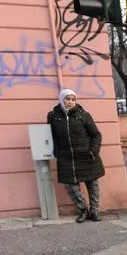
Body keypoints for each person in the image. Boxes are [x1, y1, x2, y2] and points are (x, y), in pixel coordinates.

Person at [48, 89, 105, 223]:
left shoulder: (84, 115)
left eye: (73, 99)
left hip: (87, 156)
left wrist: (93, 151)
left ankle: (94, 211)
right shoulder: (52, 116)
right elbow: (52, 136)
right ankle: (83, 210)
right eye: (68, 99)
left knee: (92, 185)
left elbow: (96, 135)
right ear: (62, 99)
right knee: (71, 187)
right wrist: (57, 152)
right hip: (66, 158)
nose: (71, 102)